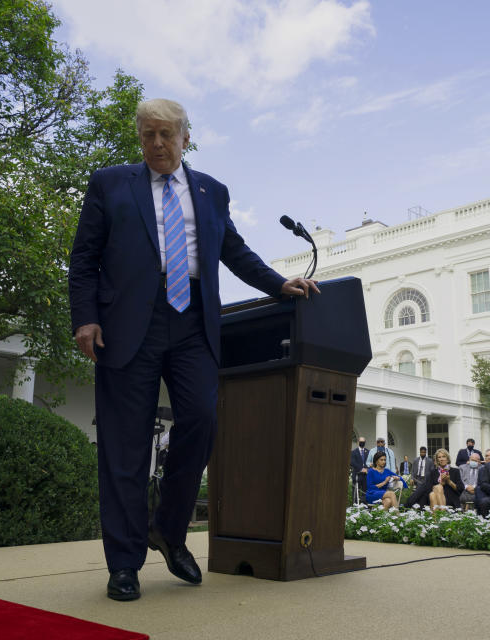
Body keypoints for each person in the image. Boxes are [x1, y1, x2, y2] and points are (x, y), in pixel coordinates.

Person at [68, 98, 319, 601]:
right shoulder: (111, 183)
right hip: (126, 323)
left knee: (202, 422)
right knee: (124, 446)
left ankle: (168, 529)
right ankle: (124, 563)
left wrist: (277, 283)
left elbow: (233, 249)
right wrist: (86, 318)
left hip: (192, 324)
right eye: (148, 135)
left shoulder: (211, 191)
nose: (157, 144)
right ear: (139, 138)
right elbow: (84, 258)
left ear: (185, 136)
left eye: (167, 134)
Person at [349, 438, 369, 503]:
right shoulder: (353, 452)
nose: (362, 443)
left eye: (363, 442)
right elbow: (352, 462)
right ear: (358, 442)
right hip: (357, 475)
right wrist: (361, 469)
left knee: (365, 492)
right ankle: (355, 506)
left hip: (366, 476)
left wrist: (367, 469)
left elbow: (370, 462)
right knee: (355, 492)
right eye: (361, 442)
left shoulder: (368, 452)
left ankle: (364, 506)